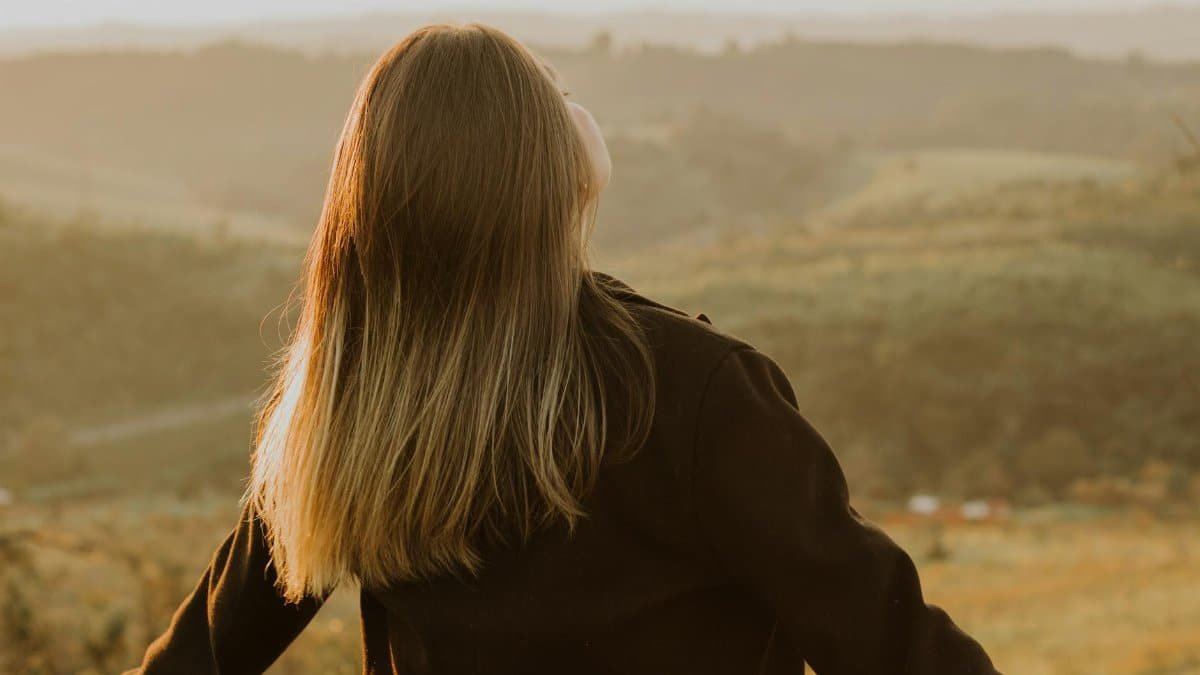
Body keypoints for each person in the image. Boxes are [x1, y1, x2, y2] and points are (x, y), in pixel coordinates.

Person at [126, 23, 998, 675]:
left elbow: (197, 655)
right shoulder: (699, 397)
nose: (575, 99)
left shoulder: (348, 412)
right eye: (553, 87)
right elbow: (898, 647)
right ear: (538, 164)